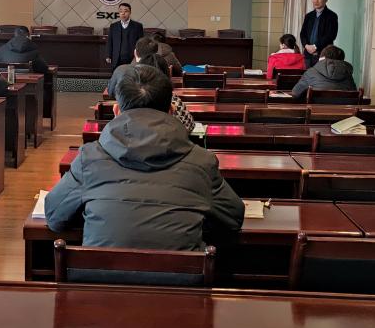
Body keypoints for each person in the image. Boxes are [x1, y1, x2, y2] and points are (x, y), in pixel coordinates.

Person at [45, 64, 243, 250]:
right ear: (172, 111)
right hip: (178, 275)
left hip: (100, 274)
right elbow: (233, 218)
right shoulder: (201, 161)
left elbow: (54, 216)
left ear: (116, 111)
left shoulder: (89, 158)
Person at [290, 45, 356, 101]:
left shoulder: (311, 72)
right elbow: (354, 96)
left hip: (314, 111)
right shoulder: (348, 75)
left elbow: (295, 93)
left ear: (322, 58)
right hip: (345, 112)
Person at [299, 0, 338, 68]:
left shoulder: (332, 16)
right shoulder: (309, 16)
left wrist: (315, 46)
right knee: (308, 74)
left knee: (321, 75)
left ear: (326, 0)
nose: (316, 1)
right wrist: (306, 45)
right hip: (308, 54)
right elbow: (303, 33)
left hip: (323, 54)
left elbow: (331, 35)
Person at [105, 2, 144, 70]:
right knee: (117, 75)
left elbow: (141, 43)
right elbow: (110, 42)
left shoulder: (137, 26)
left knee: (131, 76)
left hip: (132, 59)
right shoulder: (113, 26)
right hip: (117, 59)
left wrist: (139, 57)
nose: (123, 13)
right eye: (121, 11)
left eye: (126, 11)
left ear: (130, 12)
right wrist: (108, 55)